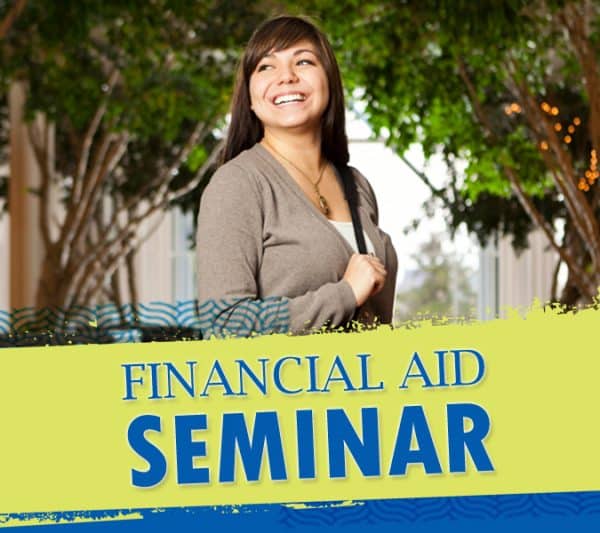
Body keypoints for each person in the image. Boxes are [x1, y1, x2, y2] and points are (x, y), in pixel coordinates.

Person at [196, 15, 397, 337]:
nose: (286, 77)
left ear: (328, 81)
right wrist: (344, 294)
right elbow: (224, 326)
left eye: (303, 62)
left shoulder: (356, 185)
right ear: (249, 97)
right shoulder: (238, 184)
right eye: (266, 66)